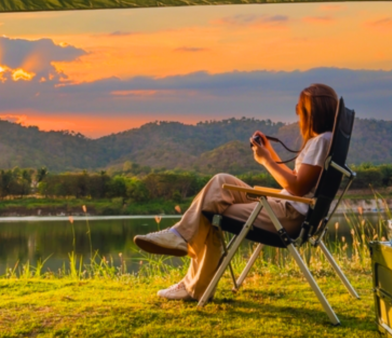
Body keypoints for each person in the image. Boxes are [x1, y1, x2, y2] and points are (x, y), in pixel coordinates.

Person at [133, 83, 339, 301]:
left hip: (288, 214)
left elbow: (297, 187)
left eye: (301, 109)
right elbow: (297, 182)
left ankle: (192, 278)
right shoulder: (326, 140)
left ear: (313, 112)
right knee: (221, 182)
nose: (298, 114)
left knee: (213, 210)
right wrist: (269, 153)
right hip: (284, 207)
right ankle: (181, 243)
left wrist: (266, 161)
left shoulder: (320, 141)